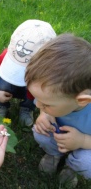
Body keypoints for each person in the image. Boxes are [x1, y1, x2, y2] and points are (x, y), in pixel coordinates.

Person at [25, 33, 91, 187]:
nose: (37, 105)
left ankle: (73, 167)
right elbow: (43, 105)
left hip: (87, 143)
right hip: (60, 133)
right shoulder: (52, 97)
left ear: (81, 101)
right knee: (40, 131)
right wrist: (45, 114)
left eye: (46, 105)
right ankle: (54, 154)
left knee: (87, 164)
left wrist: (81, 141)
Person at [0, 19, 56, 127]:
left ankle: (27, 108)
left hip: (30, 91)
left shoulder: (49, 69)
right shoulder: (7, 55)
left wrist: (44, 113)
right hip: (9, 87)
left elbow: (48, 93)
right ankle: (2, 105)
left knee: (37, 91)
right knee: (3, 82)